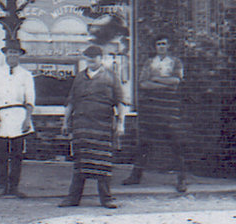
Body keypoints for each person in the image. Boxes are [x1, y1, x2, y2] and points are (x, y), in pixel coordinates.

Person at [59, 44, 125, 209]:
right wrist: (65, 121)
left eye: (94, 58)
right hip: (82, 125)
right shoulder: (80, 77)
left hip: (102, 126)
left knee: (103, 162)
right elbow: (71, 101)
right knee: (80, 162)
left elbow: (120, 103)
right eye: (87, 59)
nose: (90, 62)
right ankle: (73, 198)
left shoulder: (111, 77)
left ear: (101, 59)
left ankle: (106, 198)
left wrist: (121, 124)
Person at [122, 33, 188, 192]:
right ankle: (135, 175)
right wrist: (165, 82)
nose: (161, 47)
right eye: (159, 44)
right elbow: (143, 83)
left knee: (176, 142)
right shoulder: (149, 62)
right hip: (151, 107)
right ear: (155, 47)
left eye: (164, 44)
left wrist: (156, 79)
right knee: (144, 141)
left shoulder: (176, 62)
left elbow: (176, 81)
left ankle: (182, 178)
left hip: (170, 107)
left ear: (169, 46)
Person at [0, 38, 36, 198]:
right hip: (1, 116)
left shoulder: (26, 75)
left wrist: (27, 119)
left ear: (19, 55)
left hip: (19, 116)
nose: (12, 56)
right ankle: (2, 186)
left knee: (17, 154)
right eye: (9, 52)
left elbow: (30, 99)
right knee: (2, 154)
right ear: (5, 54)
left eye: (15, 53)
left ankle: (14, 187)